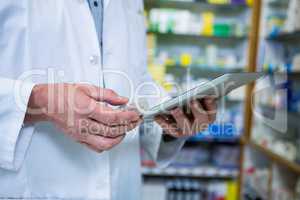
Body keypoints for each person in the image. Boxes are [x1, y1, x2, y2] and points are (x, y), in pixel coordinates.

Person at [0, 0, 217, 200]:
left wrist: (170, 123)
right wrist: (39, 101)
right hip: (33, 184)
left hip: (122, 185)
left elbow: (136, 75)